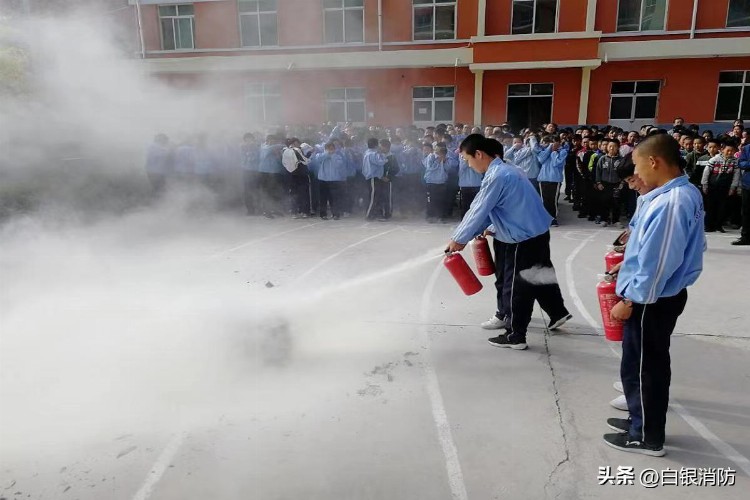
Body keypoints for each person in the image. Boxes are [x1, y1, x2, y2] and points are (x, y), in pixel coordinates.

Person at [604, 133, 705, 457]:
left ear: (653, 161)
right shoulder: (677, 194)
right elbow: (650, 250)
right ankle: (639, 418)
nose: (636, 173)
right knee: (639, 363)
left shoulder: (672, 202)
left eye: (636, 164)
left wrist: (630, 300)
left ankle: (647, 436)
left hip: (651, 300)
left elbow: (659, 262)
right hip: (656, 295)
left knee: (646, 367)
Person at [446, 135, 572, 351]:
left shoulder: (498, 176)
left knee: (515, 286)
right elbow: (502, 207)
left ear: (479, 154)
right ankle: (557, 313)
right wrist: (491, 227)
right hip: (534, 232)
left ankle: (515, 334)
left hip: (521, 238)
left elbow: (479, 209)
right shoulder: (508, 169)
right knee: (538, 275)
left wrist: (459, 239)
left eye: (468, 159)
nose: (468, 164)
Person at [701, 141, 740, 233]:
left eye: (732, 151)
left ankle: (719, 225)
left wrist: (733, 188)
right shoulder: (714, 159)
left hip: (725, 188)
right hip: (712, 187)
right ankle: (708, 226)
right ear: (722, 150)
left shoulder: (735, 162)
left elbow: (736, 176)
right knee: (710, 207)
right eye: (728, 150)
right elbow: (706, 173)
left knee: (722, 208)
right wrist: (705, 185)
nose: (730, 153)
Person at [536, 135, 569, 226]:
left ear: (558, 142)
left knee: (552, 200)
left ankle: (553, 218)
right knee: (544, 200)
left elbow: (556, 163)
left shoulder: (562, 152)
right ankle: (545, 218)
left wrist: (554, 152)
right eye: (548, 143)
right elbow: (541, 160)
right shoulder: (544, 151)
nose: (551, 144)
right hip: (543, 179)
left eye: (553, 142)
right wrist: (549, 149)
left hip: (555, 180)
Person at [595, 138, 625, 228]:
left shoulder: (621, 160)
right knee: (604, 201)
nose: (612, 148)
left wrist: (622, 183)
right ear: (607, 148)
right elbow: (598, 171)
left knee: (616, 202)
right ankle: (604, 219)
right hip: (605, 183)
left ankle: (616, 220)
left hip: (617, 184)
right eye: (610, 146)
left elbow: (624, 172)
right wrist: (598, 183)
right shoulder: (602, 159)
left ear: (618, 148)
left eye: (614, 146)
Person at [314, 141, 347, 220]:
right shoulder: (320, 155)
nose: (331, 150)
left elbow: (338, 165)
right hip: (323, 179)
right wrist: (327, 154)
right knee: (323, 198)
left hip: (334, 180)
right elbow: (318, 160)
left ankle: (335, 214)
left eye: (332, 149)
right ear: (325, 149)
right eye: (328, 149)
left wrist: (332, 156)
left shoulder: (338, 156)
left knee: (334, 198)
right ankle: (323, 214)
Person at [282, 138, 312, 219]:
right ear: (295, 143)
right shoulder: (297, 150)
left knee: (293, 194)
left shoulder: (285, 151)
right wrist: (310, 153)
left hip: (291, 175)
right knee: (304, 194)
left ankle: (294, 212)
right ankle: (305, 211)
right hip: (301, 174)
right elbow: (305, 160)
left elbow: (284, 163)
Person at [362, 137, 389, 221]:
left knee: (375, 196)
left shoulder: (367, 152)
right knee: (373, 197)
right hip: (373, 177)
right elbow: (381, 161)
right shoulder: (373, 154)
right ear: (376, 145)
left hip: (373, 177)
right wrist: (385, 157)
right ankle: (369, 214)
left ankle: (375, 213)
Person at [240, 133, 260, 215]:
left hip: (255, 171)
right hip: (246, 171)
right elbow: (241, 158)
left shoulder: (257, 147)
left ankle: (259, 208)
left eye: (250, 139)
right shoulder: (242, 148)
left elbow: (258, 157)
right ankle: (250, 209)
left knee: (256, 190)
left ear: (253, 139)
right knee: (247, 191)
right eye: (247, 139)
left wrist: (251, 153)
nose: (248, 141)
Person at [734, 141, 750, 245]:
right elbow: (741, 163)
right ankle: (745, 237)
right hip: (748, 185)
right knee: (746, 212)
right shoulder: (747, 148)